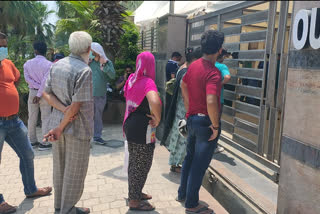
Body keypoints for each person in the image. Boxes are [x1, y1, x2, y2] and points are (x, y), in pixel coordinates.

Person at [0, 32, 52, 214]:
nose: (3, 49)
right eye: (1, 46)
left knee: (28, 154)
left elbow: (16, 78)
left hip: (13, 120)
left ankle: (31, 189)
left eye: (4, 46)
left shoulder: (8, 63)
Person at [42, 31, 94, 214]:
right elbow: (76, 106)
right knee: (75, 171)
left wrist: (61, 115)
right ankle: (68, 209)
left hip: (58, 126)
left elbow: (46, 94)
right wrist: (64, 117)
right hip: (76, 128)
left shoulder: (58, 65)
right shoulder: (84, 71)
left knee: (60, 168)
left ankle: (60, 205)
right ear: (88, 48)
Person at [177, 30, 224, 214]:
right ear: (219, 50)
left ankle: (183, 194)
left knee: (189, 159)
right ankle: (192, 204)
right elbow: (212, 101)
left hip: (192, 119)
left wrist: (189, 111)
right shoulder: (213, 73)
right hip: (206, 124)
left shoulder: (193, 66)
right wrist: (216, 125)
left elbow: (183, 85)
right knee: (199, 164)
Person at [123, 52, 162, 211]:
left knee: (134, 162)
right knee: (142, 164)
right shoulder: (148, 82)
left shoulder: (132, 78)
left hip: (130, 124)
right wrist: (158, 118)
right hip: (142, 129)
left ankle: (135, 192)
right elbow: (154, 101)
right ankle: (134, 201)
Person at [161, 47, 202, 173]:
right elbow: (186, 95)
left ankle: (175, 163)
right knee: (182, 138)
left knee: (179, 136)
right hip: (184, 110)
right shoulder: (186, 72)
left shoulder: (182, 68)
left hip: (180, 109)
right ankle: (177, 164)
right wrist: (191, 112)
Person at [23, 41, 53, 151]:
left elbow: (27, 79)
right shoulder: (49, 64)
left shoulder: (27, 64)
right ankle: (45, 143)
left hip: (32, 92)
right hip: (45, 93)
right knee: (46, 117)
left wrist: (36, 92)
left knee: (32, 117)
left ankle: (32, 141)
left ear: (35, 51)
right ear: (45, 51)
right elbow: (46, 81)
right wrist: (40, 92)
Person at [89, 42, 116, 145]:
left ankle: (97, 136)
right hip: (87, 94)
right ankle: (86, 137)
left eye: (92, 51)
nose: (90, 52)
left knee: (98, 116)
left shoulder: (106, 62)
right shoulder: (88, 62)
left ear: (98, 52)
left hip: (100, 94)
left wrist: (103, 65)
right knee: (86, 116)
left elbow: (113, 76)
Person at [214, 49, 231, 154]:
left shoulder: (208, 64)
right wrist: (220, 84)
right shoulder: (222, 67)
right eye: (225, 57)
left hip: (205, 99)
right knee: (216, 123)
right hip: (218, 100)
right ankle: (214, 146)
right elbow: (227, 77)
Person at [165, 52, 182, 119]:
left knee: (168, 105)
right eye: (179, 59)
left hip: (168, 88)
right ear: (175, 57)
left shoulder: (169, 63)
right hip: (171, 89)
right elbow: (173, 77)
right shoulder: (172, 64)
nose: (179, 61)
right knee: (170, 105)